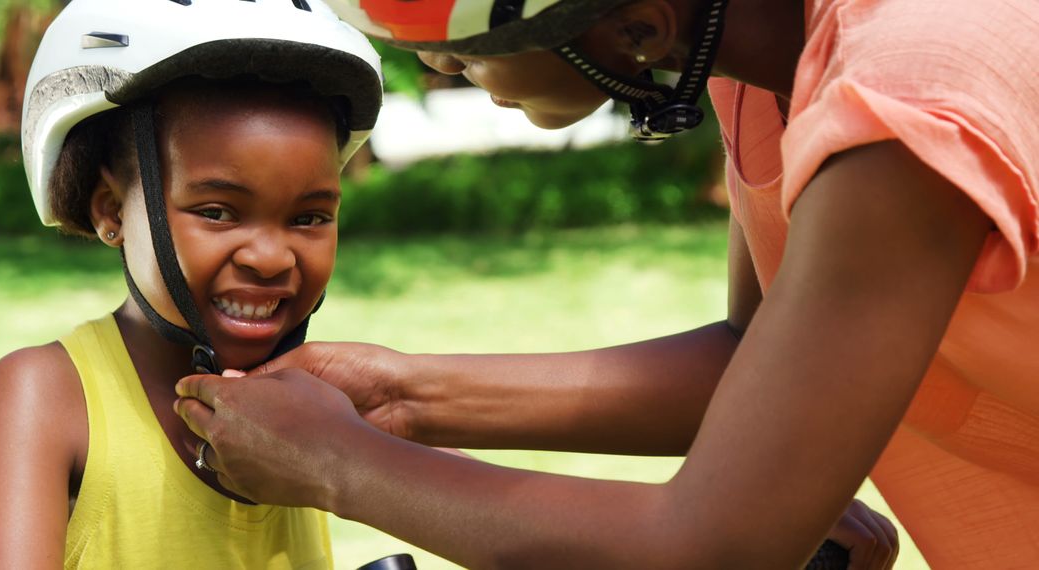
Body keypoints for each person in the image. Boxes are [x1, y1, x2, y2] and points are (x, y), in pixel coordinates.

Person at [174, 0, 1037, 568]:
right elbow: (762, 364)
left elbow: (714, 549)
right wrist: (399, 395)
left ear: (634, 28)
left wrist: (340, 465)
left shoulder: (906, 98)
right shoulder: (771, 67)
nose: (436, 70)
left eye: (465, 55)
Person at [0, 0, 383, 568]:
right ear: (111, 209)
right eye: (217, 211)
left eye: (308, 218)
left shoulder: (321, 406)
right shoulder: (47, 397)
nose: (269, 256)